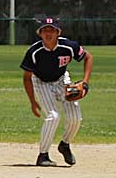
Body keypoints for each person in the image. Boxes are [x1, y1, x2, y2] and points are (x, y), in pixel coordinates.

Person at [19, 16, 92, 167]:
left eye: (51, 30)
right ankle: (43, 155)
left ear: (58, 32)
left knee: (75, 118)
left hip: (61, 80)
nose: (48, 33)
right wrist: (33, 102)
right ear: (40, 33)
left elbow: (88, 57)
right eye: (45, 30)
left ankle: (65, 144)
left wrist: (85, 82)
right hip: (41, 82)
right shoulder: (34, 51)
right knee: (53, 116)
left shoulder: (68, 46)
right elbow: (27, 78)